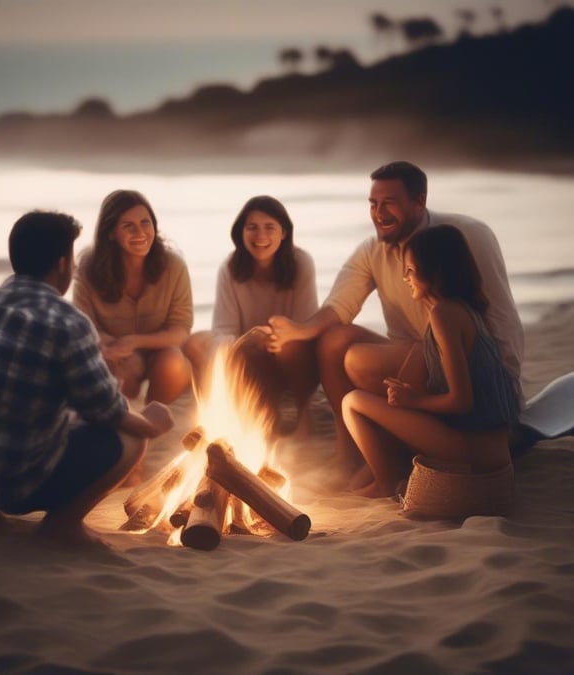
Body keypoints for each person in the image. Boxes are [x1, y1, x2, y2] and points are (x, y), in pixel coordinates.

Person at [0, 211, 174, 542]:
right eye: (71, 261)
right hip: (17, 487)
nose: (73, 269)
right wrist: (152, 424)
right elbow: (109, 412)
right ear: (61, 264)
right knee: (131, 439)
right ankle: (64, 524)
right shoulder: (68, 322)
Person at [267, 161, 523, 468]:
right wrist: (299, 331)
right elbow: (340, 305)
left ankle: (398, 445)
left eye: (389, 203)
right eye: (373, 204)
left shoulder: (463, 236)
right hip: (419, 355)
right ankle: (350, 449)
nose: (379, 213)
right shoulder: (372, 249)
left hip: (462, 368)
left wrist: (504, 385)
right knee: (334, 339)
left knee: (356, 360)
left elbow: (501, 319)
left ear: (419, 202)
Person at [341, 225, 520, 497]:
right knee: (412, 368)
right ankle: (385, 471)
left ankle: (385, 482)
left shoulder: (444, 315)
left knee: (352, 402)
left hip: (474, 449)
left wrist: (413, 401)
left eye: (411, 270)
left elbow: (462, 401)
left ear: (434, 272)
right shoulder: (465, 309)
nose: (405, 277)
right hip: (491, 444)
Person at [184, 195, 319, 436]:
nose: (261, 236)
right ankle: (238, 407)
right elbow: (223, 329)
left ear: (284, 232)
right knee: (196, 343)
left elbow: (306, 323)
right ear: (241, 232)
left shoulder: (301, 263)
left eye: (270, 228)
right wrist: (248, 341)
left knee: (291, 346)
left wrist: (278, 336)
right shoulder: (230, 267)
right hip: (249, 352)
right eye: (252, 228)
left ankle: (303, 412)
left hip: (290, 352)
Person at [73, 190, 193, 405]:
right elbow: (83, 326)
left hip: (161, 352)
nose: (140, 232)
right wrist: (113, 346)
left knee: (173, 362)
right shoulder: (89, 269)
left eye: (146, 223)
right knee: (114, 371)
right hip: (116, 353)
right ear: (111, 233)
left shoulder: (173, 266)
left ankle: (153, 416)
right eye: (128, 226)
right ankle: (125, 416)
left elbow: (181, 331)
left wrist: (136, 342)